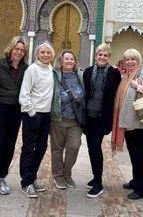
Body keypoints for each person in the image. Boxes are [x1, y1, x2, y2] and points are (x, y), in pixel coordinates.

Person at [112, 49, 143, 200]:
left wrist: (137, 86)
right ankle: (136, 181)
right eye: (127, 60)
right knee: (134, 154)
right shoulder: (127, 75)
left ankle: (141, 189)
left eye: (133, 59)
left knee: (142, 155)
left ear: (138, 60)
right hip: (130, 123)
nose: (130, 62)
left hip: (142, 124)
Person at [0, 36, 28, 195]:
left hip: (16, 110)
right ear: (11, 48)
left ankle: (1, 177)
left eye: (22, 50)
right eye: (16, 49)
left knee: (10, 145)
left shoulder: (26, 68)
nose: (18, 52)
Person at [83, 43, 121, 198]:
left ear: (109, 57)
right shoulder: (87, 72)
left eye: (105, 55)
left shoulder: (114, 73)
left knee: (94, 146)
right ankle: (95, 176)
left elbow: (118, 94)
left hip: (102, 117)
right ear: (96, 55)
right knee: (92, 147)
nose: (102, 57)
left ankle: (98, 182)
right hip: (88, 117)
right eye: (100, 54)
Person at [19, 41, 55, 198]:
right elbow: (24, 92)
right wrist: (31, 112)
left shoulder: (51, 70)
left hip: (46, 115)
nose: (46, 55)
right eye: (43, 52)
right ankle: (26, 182)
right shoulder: (32, 70)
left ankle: (32, 177)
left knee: (41, 148)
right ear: (37, 54)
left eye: (48, 52)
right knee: (29, 148)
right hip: (33, 114)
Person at [50, 49, 85, 190]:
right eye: (67, 59)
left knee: (74, 146)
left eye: (72, 59)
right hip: (58, 118)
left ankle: (67, 173)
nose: (69, 61)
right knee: (57, 148)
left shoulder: (80, 75)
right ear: (61, 61)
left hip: (75, 120)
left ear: (75, 62)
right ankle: (58, 176)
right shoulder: (54, 75)